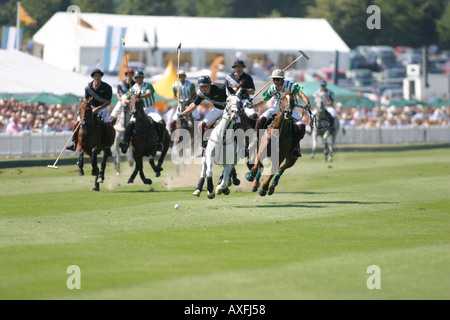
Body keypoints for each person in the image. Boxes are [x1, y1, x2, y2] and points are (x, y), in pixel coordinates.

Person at [251, 69, 311, 158]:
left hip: (291, 108)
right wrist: (252, 105)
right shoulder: (272, 88)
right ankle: (257, 140)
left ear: (282, 79)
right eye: (274, 79)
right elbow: (263, 101)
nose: (276, 81)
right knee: (260, 120)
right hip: (277, 107)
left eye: (278, 79)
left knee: (301, 126)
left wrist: (307, 104)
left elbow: (302, 95)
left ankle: (295, 147)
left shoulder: (291, 85)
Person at [178, 75, 235, 153]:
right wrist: (183, 113)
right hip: (217, 110)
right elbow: (194, 105)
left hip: (229, 111)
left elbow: (235, 96)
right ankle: (203, 147)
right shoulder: (201, 93)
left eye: (205, 86)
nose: (203, 88)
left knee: (238, 125)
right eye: (201, 87)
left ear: (209, 85)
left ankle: (243, 148)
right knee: (201, 125)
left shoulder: (221, 88)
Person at [66, 68, 114, 156]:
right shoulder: (88, 87)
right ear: (93, 77)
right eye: (95, 75)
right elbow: (85, 98)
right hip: (89, 108)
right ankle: (74, 143)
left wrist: (98, 108)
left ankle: (107, 146)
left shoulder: (107, 87)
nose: (97, 77)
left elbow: (108, 101)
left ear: (101, 77)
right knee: (77, 123)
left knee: (108, 125)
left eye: (99, 75)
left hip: (102, 109)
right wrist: (85, 106)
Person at [119, 70, 167, 154]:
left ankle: (160, 142)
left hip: (149, 109)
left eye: (140, 77)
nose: (139, 79)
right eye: (137, 78)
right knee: (129, 125)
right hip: (138, 111)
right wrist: (131, 100)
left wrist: (139, 96)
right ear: (135, 79)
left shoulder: (148, 85)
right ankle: (126, 143)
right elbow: (126, 99)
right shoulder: (132, 89)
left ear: (143, 78)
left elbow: (149, 94)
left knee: (162, 123)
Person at [224, 59, 258, 123]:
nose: (238, 69)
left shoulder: (248, 77)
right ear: (234, 68)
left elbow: (252, 91)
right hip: (232, 102)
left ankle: (255, 132)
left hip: (244, 100)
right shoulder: (229, 78)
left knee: (254, 116)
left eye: (240, 67)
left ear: (243, 68)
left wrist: (243, 90)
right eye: (237, 67)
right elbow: (224, 90)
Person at [169, 70, 196, 134]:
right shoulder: (175, 85)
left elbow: (194, 94)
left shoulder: (191, 84)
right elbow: (174, 96)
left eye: (182, 76)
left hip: (190, 104)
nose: (181, 78)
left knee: (197, 118)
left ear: (185, 77)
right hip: (181, 104)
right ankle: (171, 136)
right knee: (172, 122)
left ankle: (198, 135)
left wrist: (189, 99)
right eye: (179, 76)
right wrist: (178, 99)